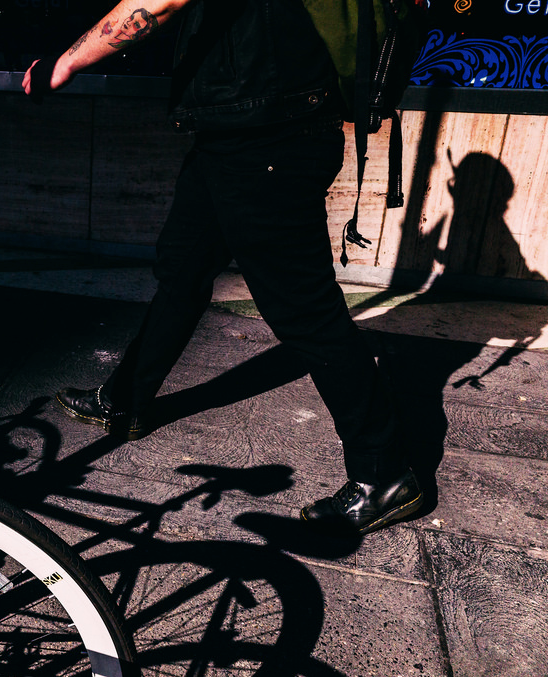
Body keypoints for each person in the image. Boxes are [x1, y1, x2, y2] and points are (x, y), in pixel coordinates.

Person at [22, 0, 424, 536]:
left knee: (305, 312)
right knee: (182, 269)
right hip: (234, 131)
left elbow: (158, 2)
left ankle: (386, 474)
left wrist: (68, 61)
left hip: (269, 135)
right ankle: (125, 400)